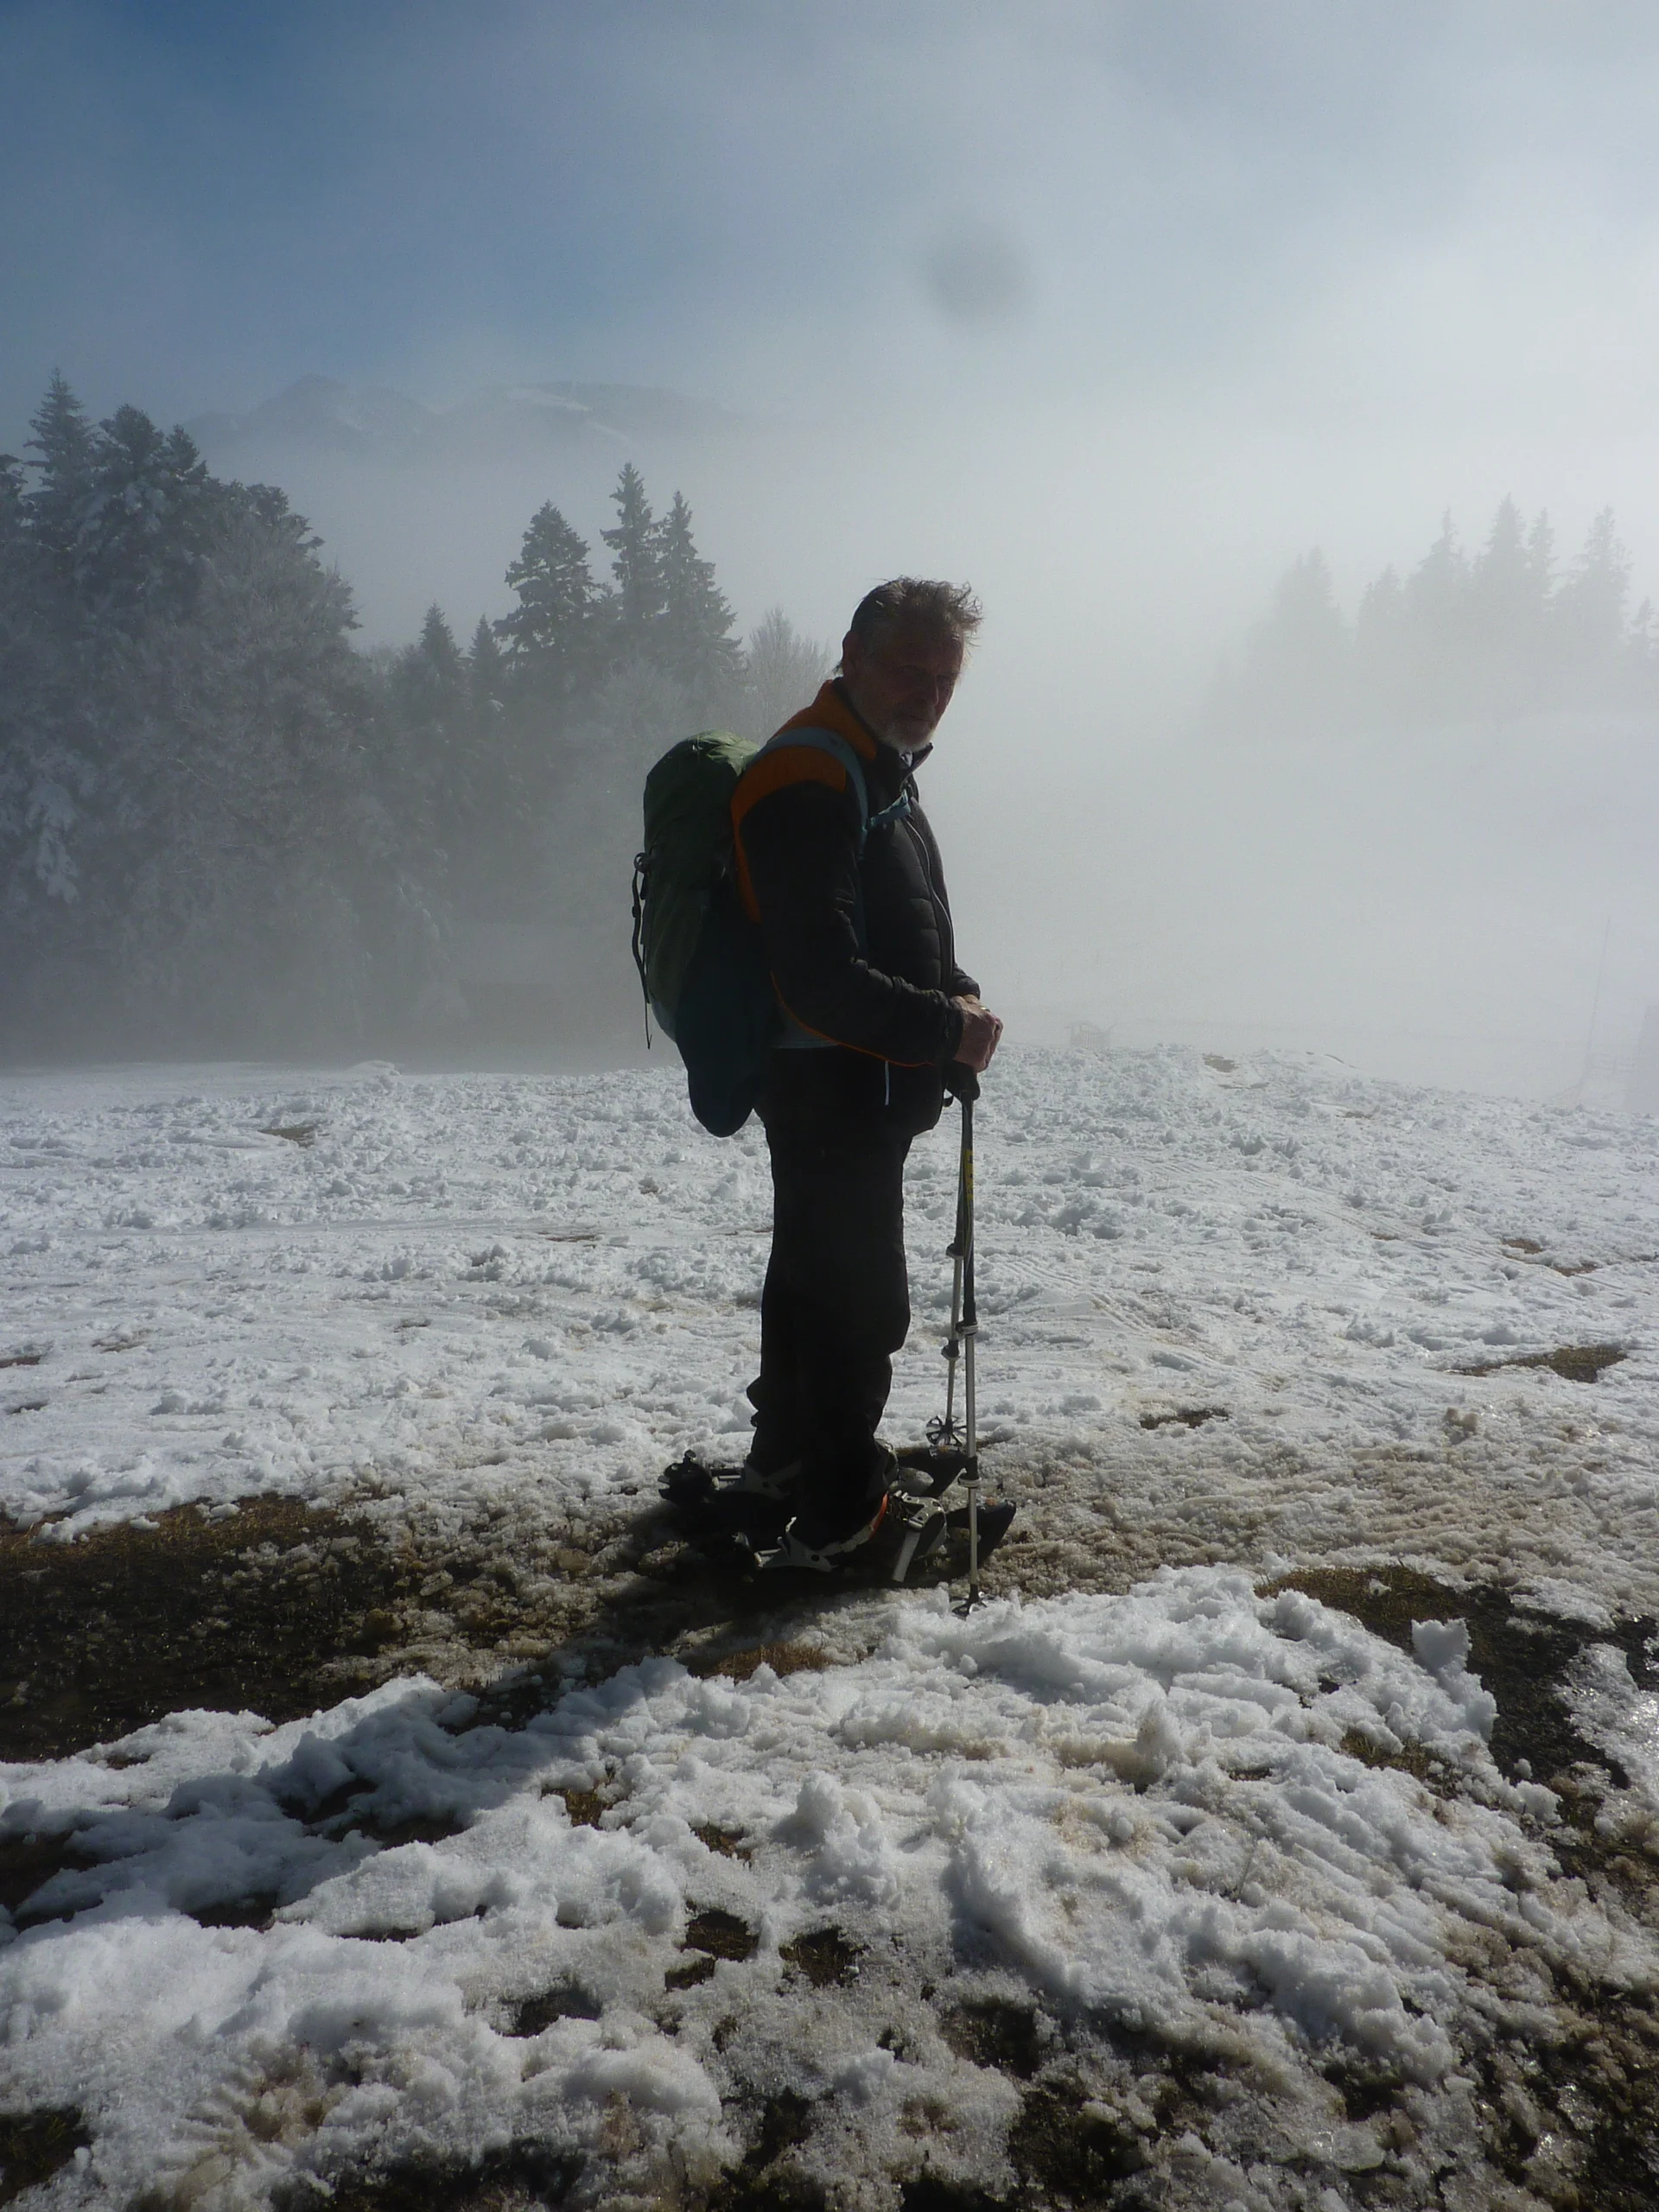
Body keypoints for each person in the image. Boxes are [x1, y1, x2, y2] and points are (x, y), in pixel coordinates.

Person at [728, 577, 1003, 1568]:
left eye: (945, 676)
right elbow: (817, 976)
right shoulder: (814, 775)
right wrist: (942, 1029)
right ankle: (845, 1517)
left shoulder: (875, 765)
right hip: (830, 1083)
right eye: (909, 668)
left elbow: (897, 928)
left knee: (812, 1278)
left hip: (857, 1083)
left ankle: (790, 1462)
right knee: (858, 1299)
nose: (928, 691)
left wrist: (954, 1000)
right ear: (851, 652)